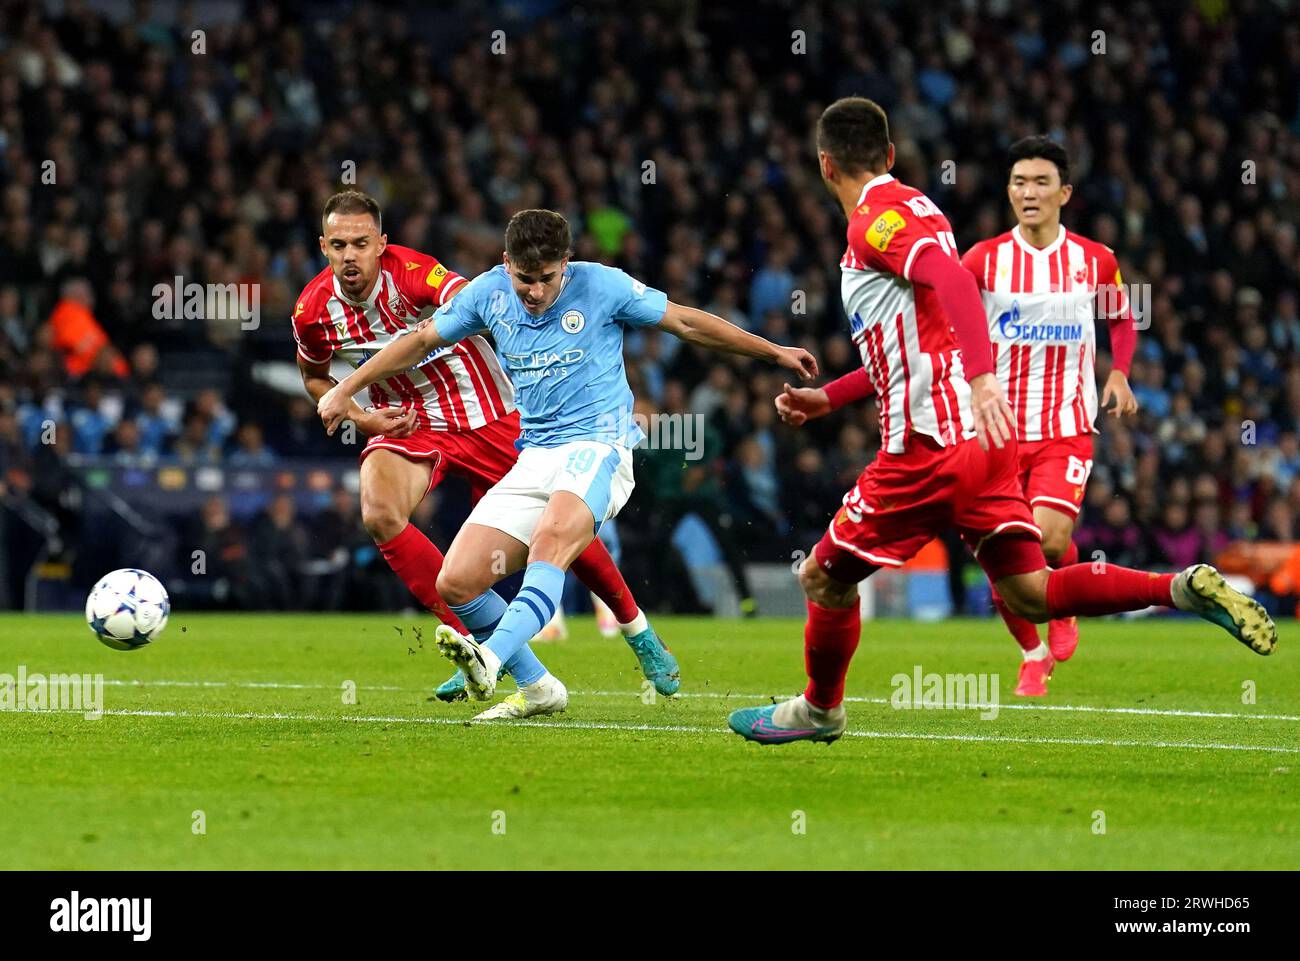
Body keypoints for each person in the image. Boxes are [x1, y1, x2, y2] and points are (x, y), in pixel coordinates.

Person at [728, 97, 1276, 745]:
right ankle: (1178, 587)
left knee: (820, 576)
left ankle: (820, 710)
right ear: (892, 155)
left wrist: (987, 377)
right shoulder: (921, 205)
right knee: (1030, 591)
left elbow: (953, 290)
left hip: (930, 445)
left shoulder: (870, 223)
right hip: (989, 439)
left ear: (824, 166)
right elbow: (921, 335)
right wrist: (833, 396)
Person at [317, 208, 816, 718]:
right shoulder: (488, 293)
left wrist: (773, 351)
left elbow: (685, 321)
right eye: (524, 279)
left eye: (547, 279)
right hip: (534, 455)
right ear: (505, 263)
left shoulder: (604, 286)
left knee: (552, 542)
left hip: (600, 446)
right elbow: (419, 341)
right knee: (457, 582)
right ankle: (541, 687)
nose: (534, 292)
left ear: (567, 263)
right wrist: (347, 390)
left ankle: (490, 659)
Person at [294, 191, 678, 712]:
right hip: (407, 423)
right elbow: (316, 378)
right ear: (323, 247)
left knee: (562, 524)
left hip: (487, 412)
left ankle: (636, 627)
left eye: (361, 244)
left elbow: (480, 300)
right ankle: (494, 660)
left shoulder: (417, 275)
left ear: (381, 244)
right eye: (338, 245)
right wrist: (360, 416)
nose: (350, 256)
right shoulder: (312, 310)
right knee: (380, 514)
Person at [960, 135, 1140, 695]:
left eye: (1040, 182)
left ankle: (1061, 597)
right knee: (1001, 557)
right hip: (997, 430)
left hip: (1066, 424)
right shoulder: (982, 259)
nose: (1028, 192)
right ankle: (1032, 653)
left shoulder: (1094, 258)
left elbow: (1123, 319)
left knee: (1049, 542)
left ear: (1064, 192)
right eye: (1018, 182)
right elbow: (951, 329)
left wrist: (1119, 372)